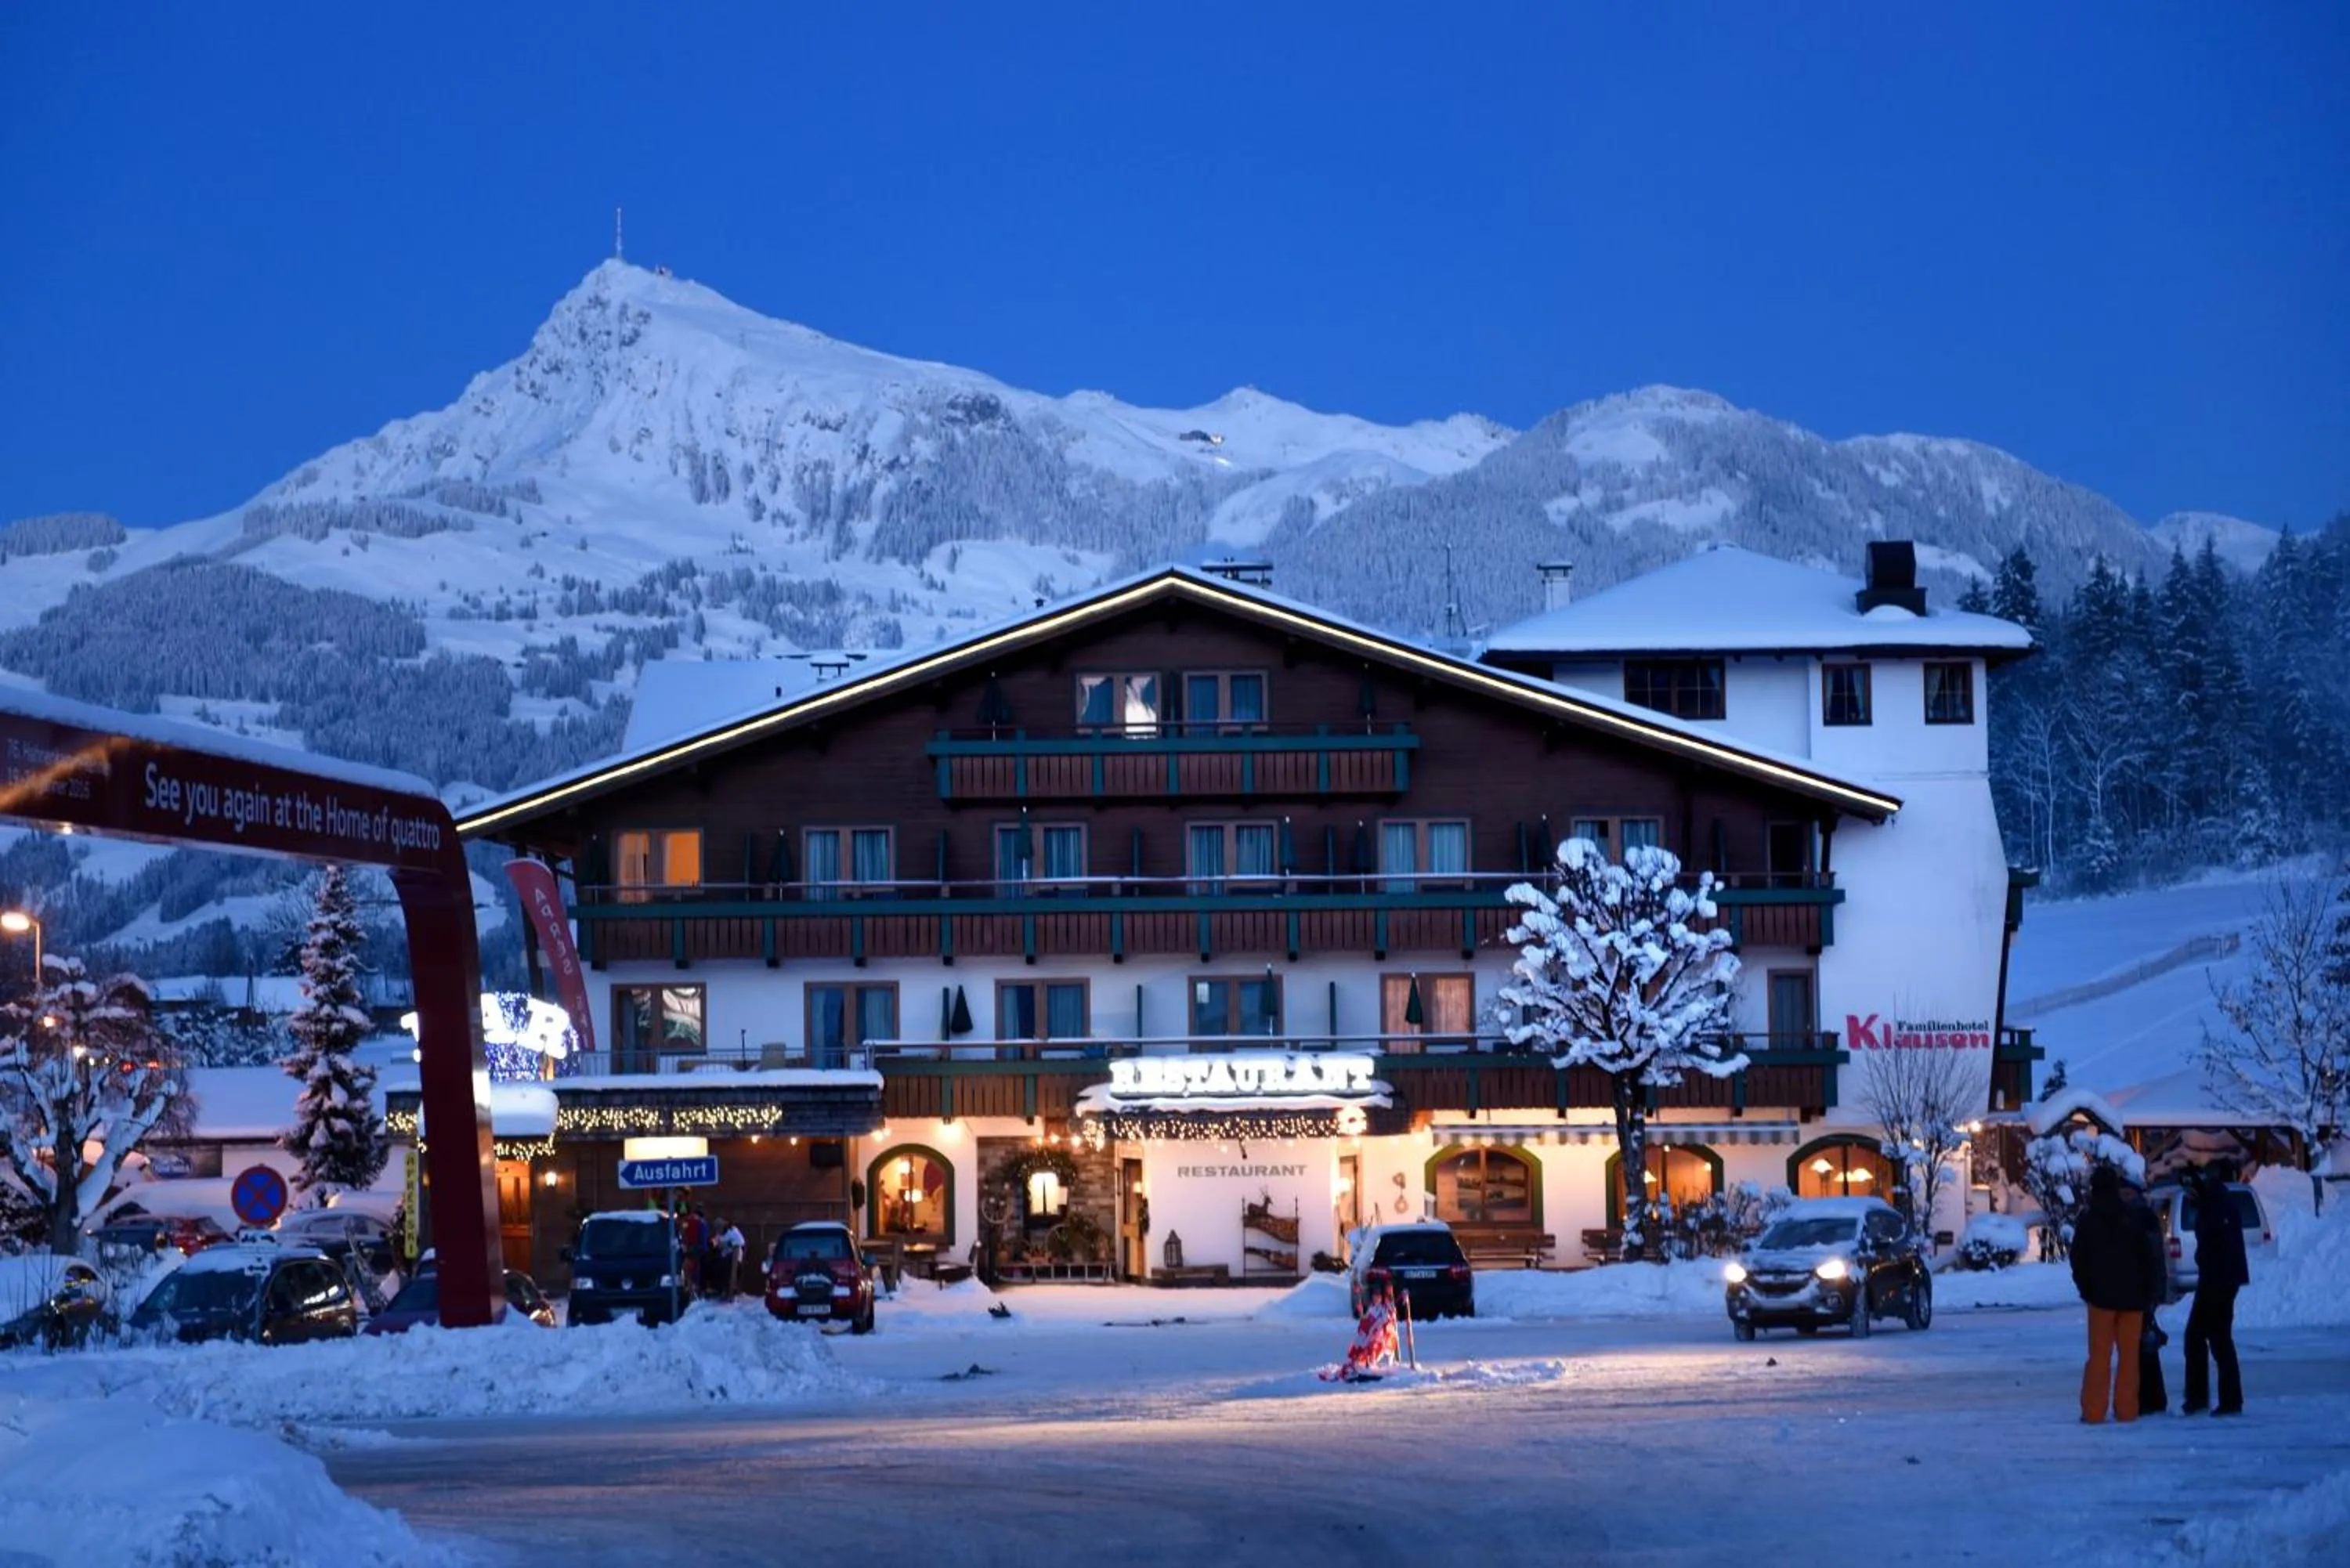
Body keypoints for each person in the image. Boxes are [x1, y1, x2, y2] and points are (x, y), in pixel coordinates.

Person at [2068, 1164, 2161, 1424]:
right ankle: (2127, 1409)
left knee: (2099, 1357)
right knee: (2129, 1358)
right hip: (2133, 1301)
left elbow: (2078, 1259)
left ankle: (2094, 1411)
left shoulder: (2088, 1220)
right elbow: (2147, 1258)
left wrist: (2086, 1288)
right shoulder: (2132, 1217)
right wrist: (2147, 1293)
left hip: (2101, 1299)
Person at [2182, 1165, 2249, 1416]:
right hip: (2215, 1279)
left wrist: (2209, 1264)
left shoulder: (2218, 1207)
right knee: (2202, 1337)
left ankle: (2227, 1400)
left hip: (2219, 1281)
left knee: (2216, 1339)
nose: (2190, 1196)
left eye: (2192, 1191)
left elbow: (2221, 1245)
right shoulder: (2213, 1204)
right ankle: (2204, 1398)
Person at [2124, 1176, 2170, 1414]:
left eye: (2128, 1193)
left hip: (2143, 1291)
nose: (2125, 1197)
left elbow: (2155, 1258)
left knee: (2143, 1347)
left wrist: (2155, 1293)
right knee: (2142, 1347)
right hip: (2139, 1290)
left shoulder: (2143, 1219)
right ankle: (2150, 1398)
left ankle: (2151, 1399)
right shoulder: (2137, 1217)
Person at [711, 1217, 745, 1299]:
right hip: (723, 1256)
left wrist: (728, 1244)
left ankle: (730, 1290)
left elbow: (741, 1242)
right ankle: (720, 1289)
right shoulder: (719, 1234)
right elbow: (715, 1243)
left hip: (735, 1257)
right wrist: (716, 1244)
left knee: (726, 1267)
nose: (718, 1231)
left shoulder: (733, 1231)